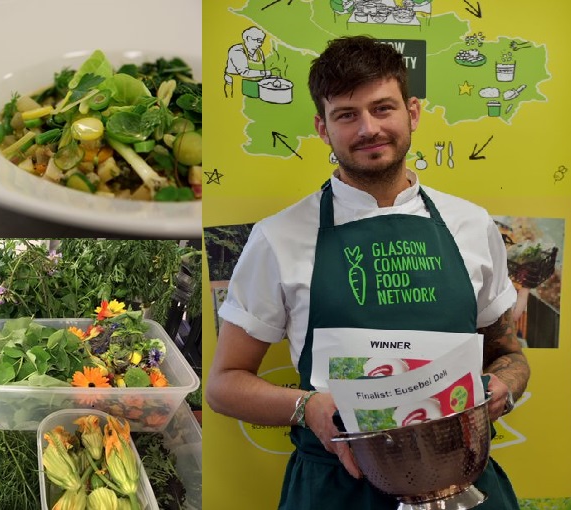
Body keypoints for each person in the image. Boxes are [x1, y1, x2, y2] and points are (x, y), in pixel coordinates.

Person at [206, 35, 530, 509]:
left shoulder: (472, 224)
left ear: (412, 112)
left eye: (383, 108)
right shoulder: (279, 236)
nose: (368, 128)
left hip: (462, 479)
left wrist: (504, 387)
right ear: (322, 127)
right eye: (346, 115)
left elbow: (509, 355)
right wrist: (305, 406)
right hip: (336, 486)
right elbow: (223, 384)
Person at [224, 26, 271, 98]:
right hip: (236, 86)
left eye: (261, 41)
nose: (260, 44)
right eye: (257, 40)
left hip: (253, 86)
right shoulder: (237, 51)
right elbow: (244, 72)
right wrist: (265, 73)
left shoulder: (259, 52)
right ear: (248, 39)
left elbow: (263, 68)